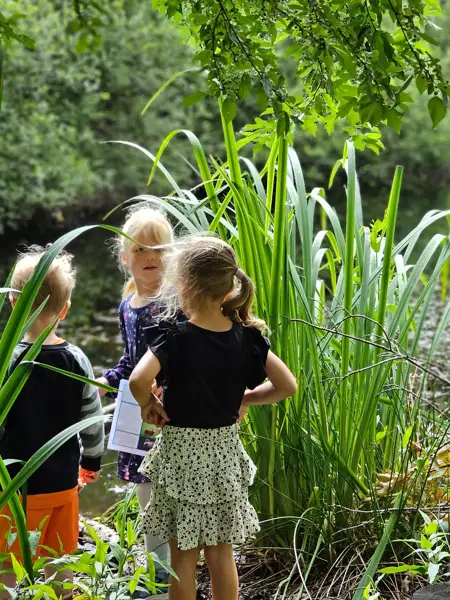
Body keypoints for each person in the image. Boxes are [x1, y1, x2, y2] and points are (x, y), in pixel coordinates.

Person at [129, 236, 297, 600]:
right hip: (224, 456)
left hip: (182, 459)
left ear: (185, 284)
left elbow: (139, 380)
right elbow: (287, 386)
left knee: (183, 555)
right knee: (222, 553)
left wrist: (148, 406)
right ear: (227, 287)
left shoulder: (173, 335)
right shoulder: (246, 338)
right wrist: (248, 398)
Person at [0, 247, 105, 600]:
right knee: (60, 564)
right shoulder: (76, 360)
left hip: (11, 488)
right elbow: (92, 420)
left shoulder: (5, 361)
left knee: (5, 568)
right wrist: (90, 463)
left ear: (13, 302)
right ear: (65, 309)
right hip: (61, 484)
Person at [96, 202, 183, 588]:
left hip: (170, 413)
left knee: (174, 493)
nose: (150, 256)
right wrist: (109, 378)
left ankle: (173, 576)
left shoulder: (175, 305)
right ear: (124, 257)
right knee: (147, 494)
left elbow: (185, 357)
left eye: (158, 249)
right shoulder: (128, 306)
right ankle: (158, 577)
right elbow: (130, 357)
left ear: (172, 255)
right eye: (139, 249)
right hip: (136, 413)